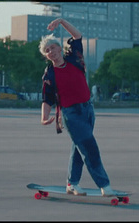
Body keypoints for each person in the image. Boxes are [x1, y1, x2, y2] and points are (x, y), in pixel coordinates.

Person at [39, 18, 116, 197]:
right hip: (71, 114)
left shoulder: (74, 58)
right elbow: (47, 99)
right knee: (89, 147)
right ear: (46, 56)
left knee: (79, 147)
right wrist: (44, 117)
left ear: (60, 48)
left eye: (53, 48)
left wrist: (61, 21)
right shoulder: (49, 74)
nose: (51, 52)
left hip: (88, 110)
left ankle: (72, 183)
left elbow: (77, 35)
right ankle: (104, 185)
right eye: (47, 51)